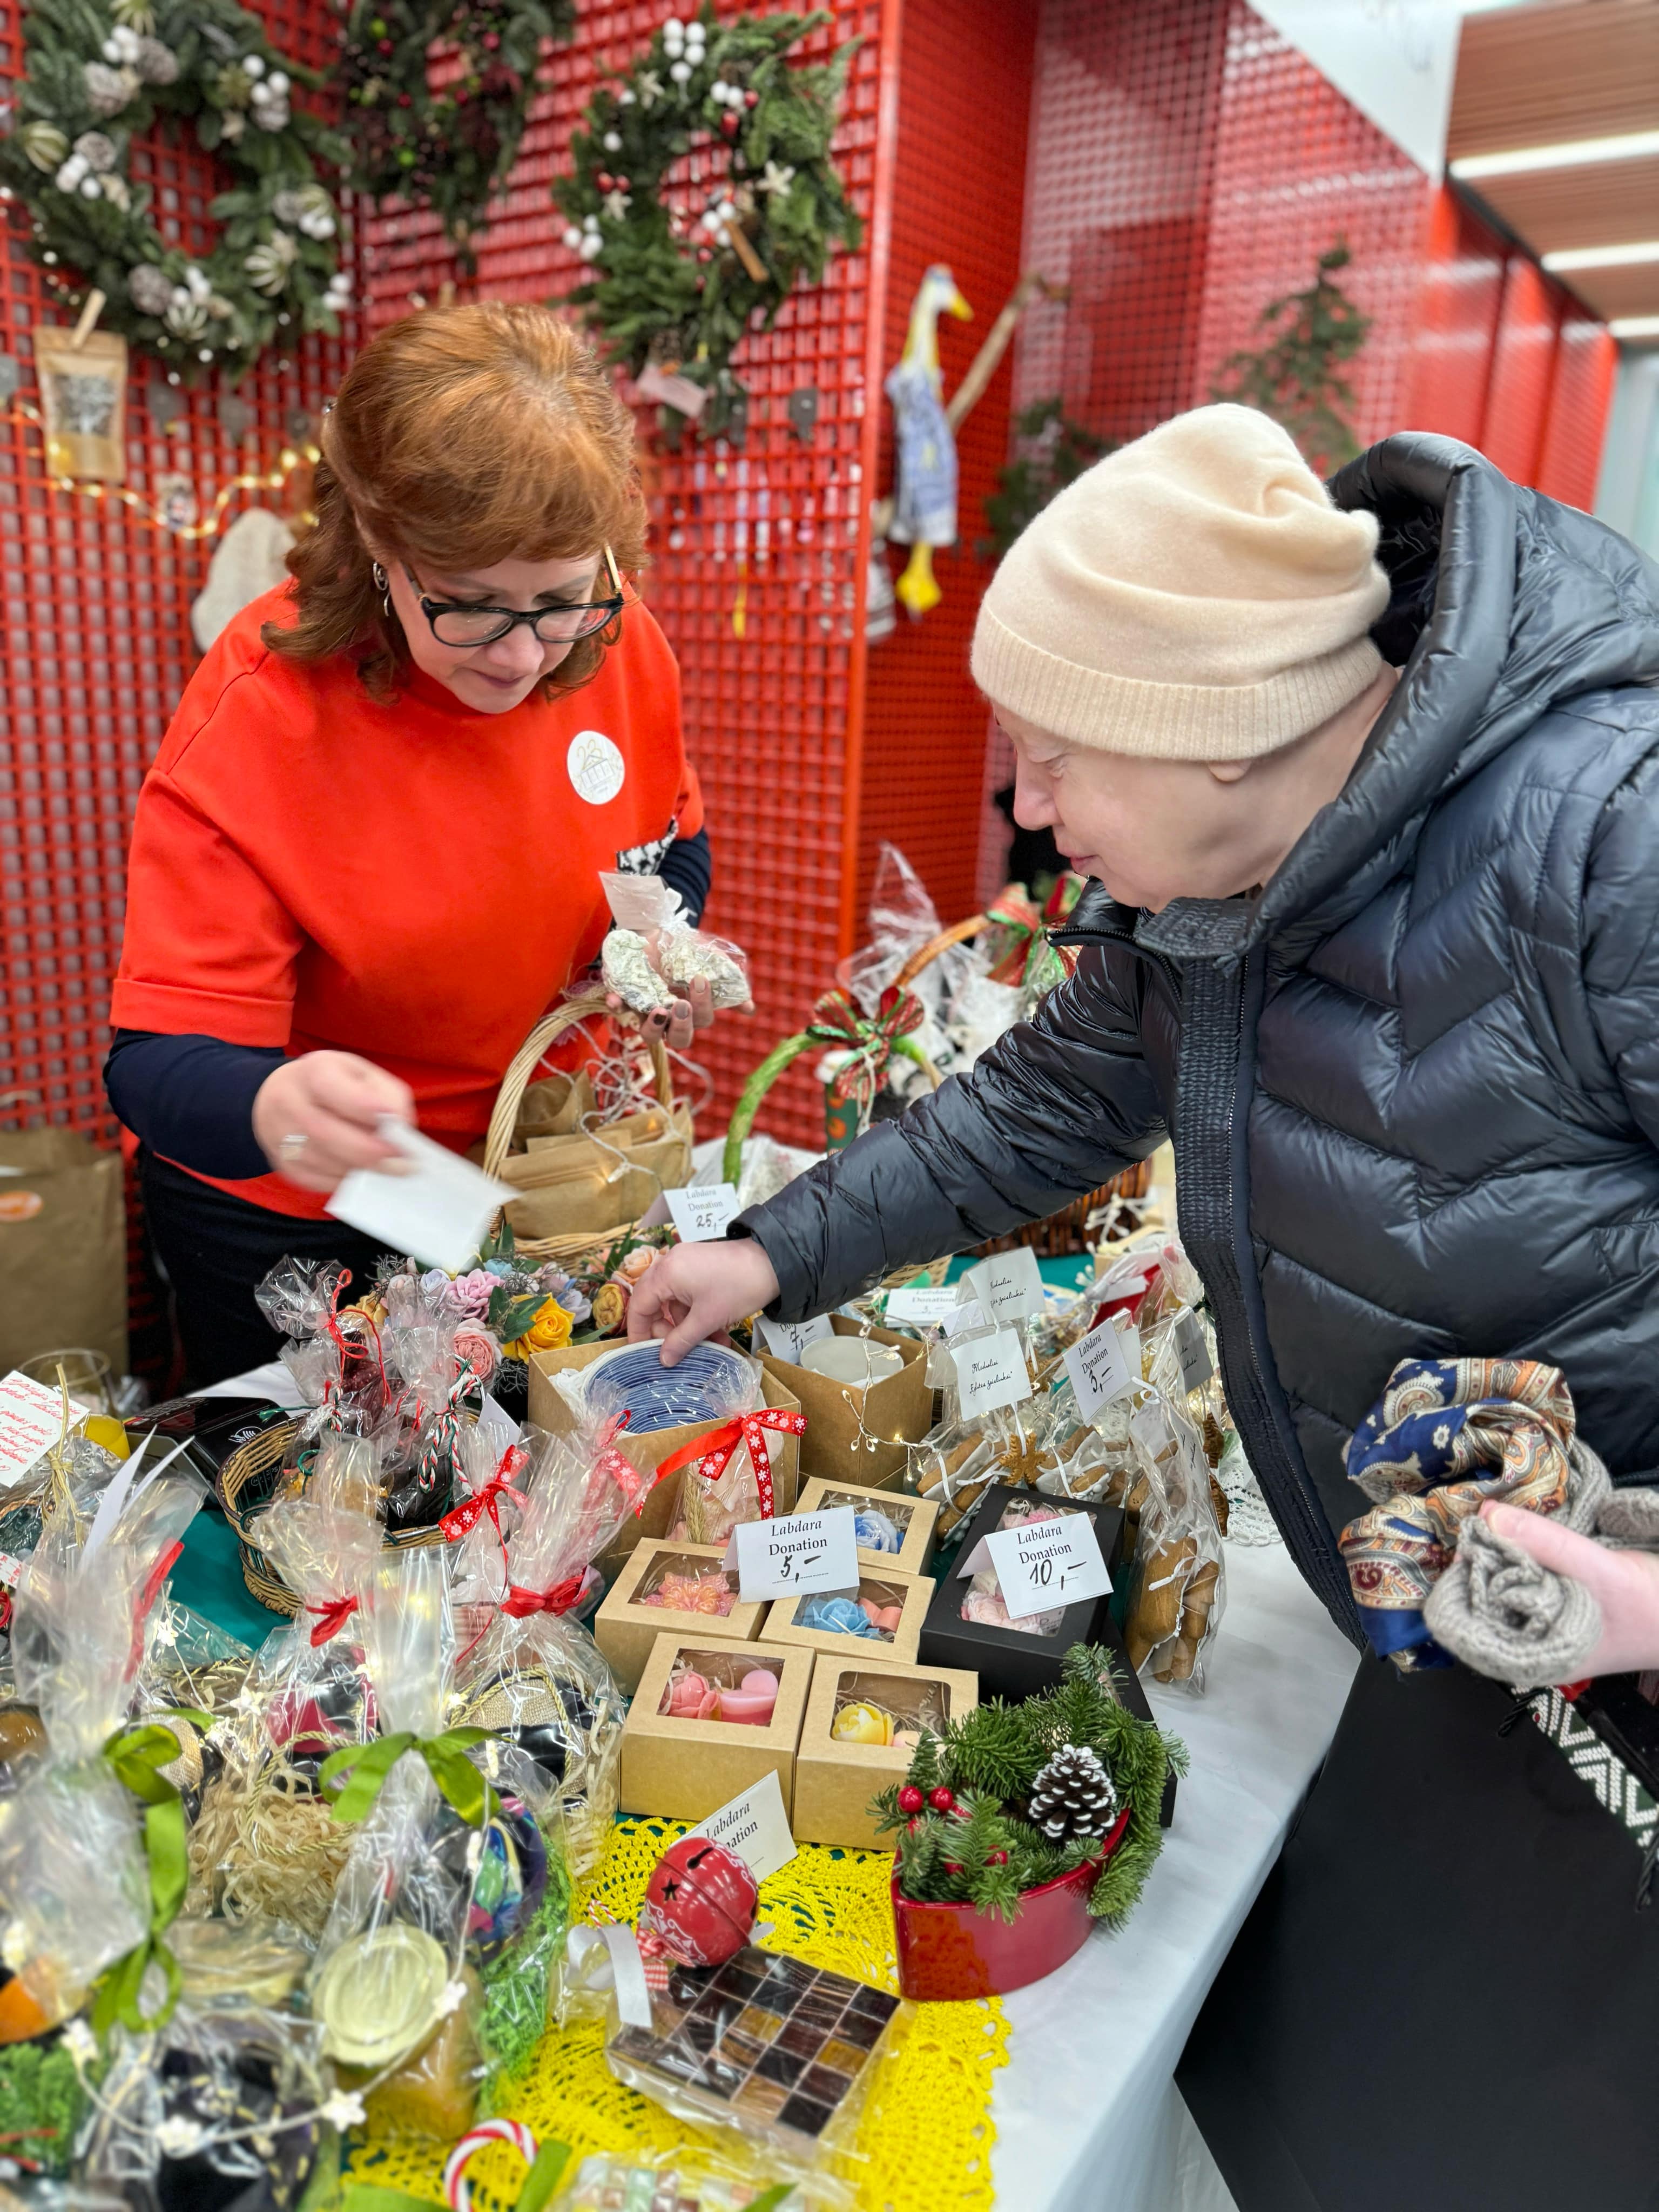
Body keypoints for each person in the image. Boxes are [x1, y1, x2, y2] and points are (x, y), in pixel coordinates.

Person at [630, 403, 1659, 2209]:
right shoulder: (1210, 902)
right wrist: (776, 1251)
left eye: (1050, 759)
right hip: (1464, 1632)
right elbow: (1038, 1103)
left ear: (1216, 728)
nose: (1024, 810)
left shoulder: (1609, 840)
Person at [107, 302, 718, 1388]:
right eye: (472, 606)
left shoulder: (619, 638)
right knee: (311, 1484)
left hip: (526, 1169)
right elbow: (156, 1061)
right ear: (378, 545)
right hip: (298, 1214)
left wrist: (665, 941)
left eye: (560, 598)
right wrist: (269, 1104)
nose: (524, 654)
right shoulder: (263, 712)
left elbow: (669, 843)